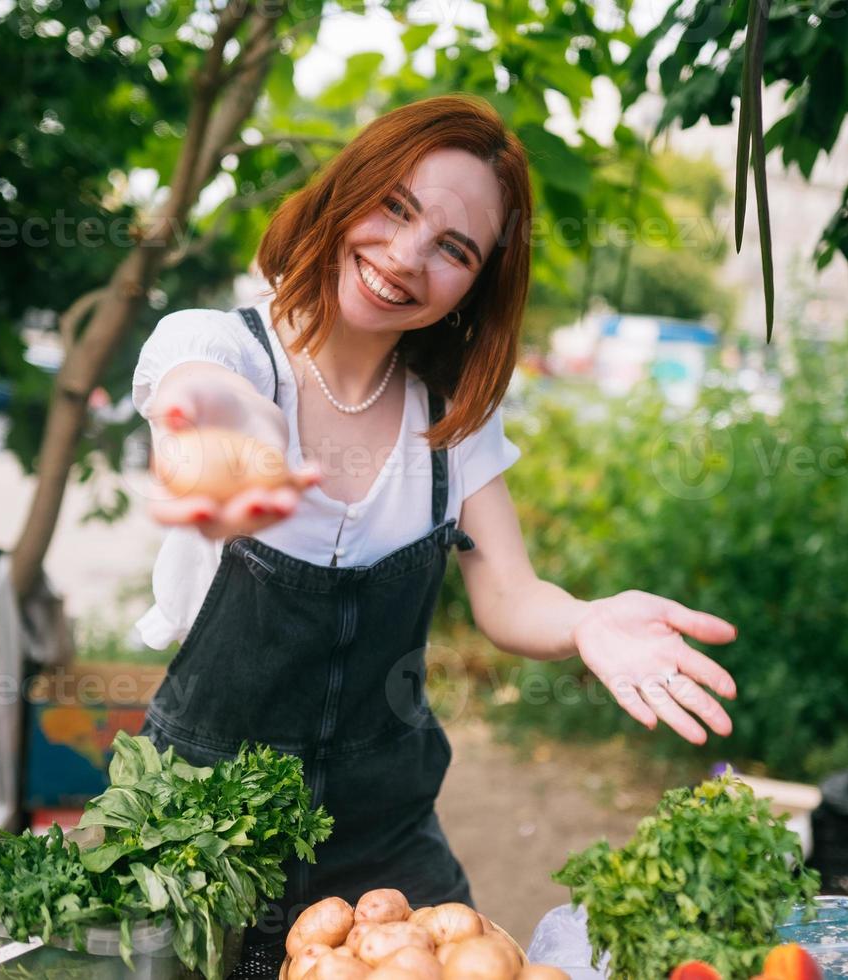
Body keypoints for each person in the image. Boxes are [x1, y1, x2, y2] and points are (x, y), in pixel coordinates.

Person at [131, 95, 739, 953]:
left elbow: (511, 596)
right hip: (193, 851)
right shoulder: (225, 350)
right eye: (396, 207)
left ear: (477, 284)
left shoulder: (451, 420)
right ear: (350, 188)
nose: (404, 257)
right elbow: (207, 398)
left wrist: (587, 620)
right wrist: (233, 445)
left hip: (387, 851)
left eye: (452, 248)